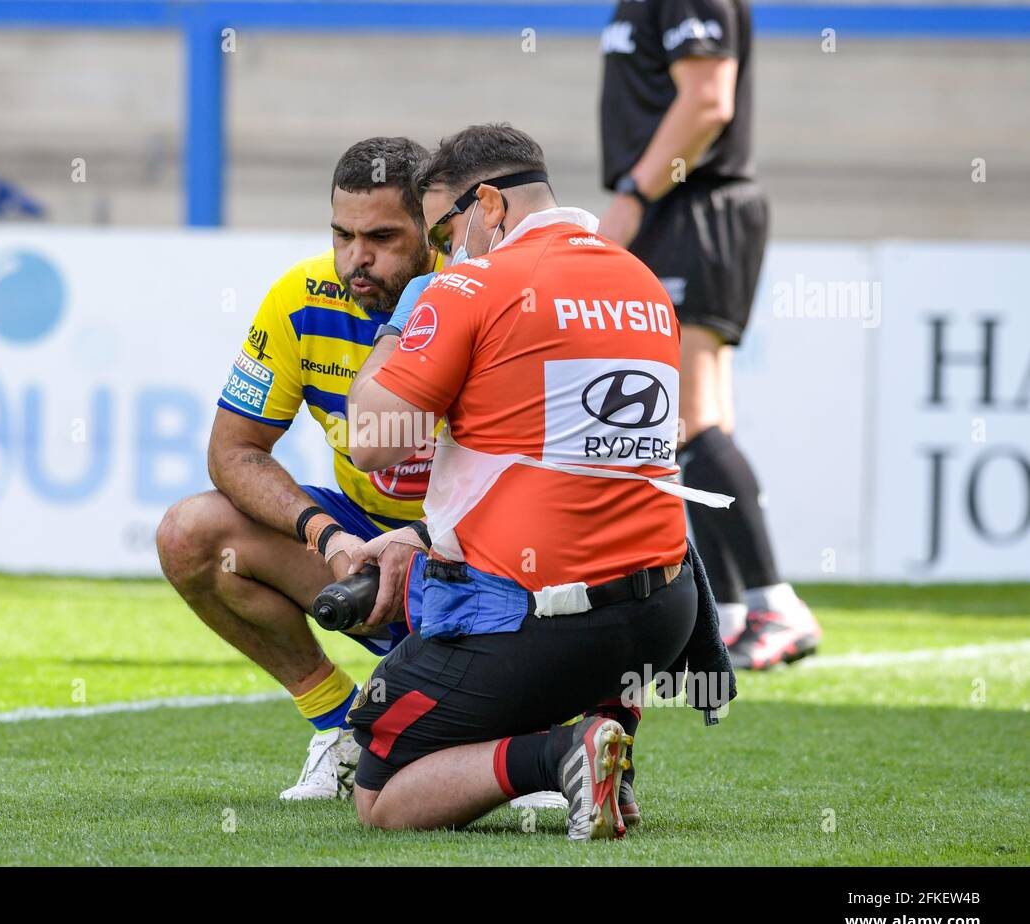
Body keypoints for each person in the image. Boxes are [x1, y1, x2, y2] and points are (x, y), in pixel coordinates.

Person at [342, 124, 732, 839]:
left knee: (380, 789)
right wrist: (427, 536)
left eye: (443, 232)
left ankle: (564, 755)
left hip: (549, 625)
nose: (441, 252)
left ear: (487, 205)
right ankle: (609, 728)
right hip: (664, 615)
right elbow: (565, 461)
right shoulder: (636, 277)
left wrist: (403, 324)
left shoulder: (470, 283)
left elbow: (371, 441)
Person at [155, 138, 441, 800]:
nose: (355, 260)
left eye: (381, 238)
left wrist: (426, 544)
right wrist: (328, 537)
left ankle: (532, 735)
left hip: (471, 553)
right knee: (190, 534)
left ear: (431, 227)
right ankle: (339, 724)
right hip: (359, 543)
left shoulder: (473, 293)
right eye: (342, 235)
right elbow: (234, 451)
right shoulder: (300, 298)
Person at [597, 0, 821, 668]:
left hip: (692, 207)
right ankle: (728, 609)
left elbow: (708, 102)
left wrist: (634, 194)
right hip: (684, 208)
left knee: (689, 417)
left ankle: (773, 603)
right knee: (694, 420)